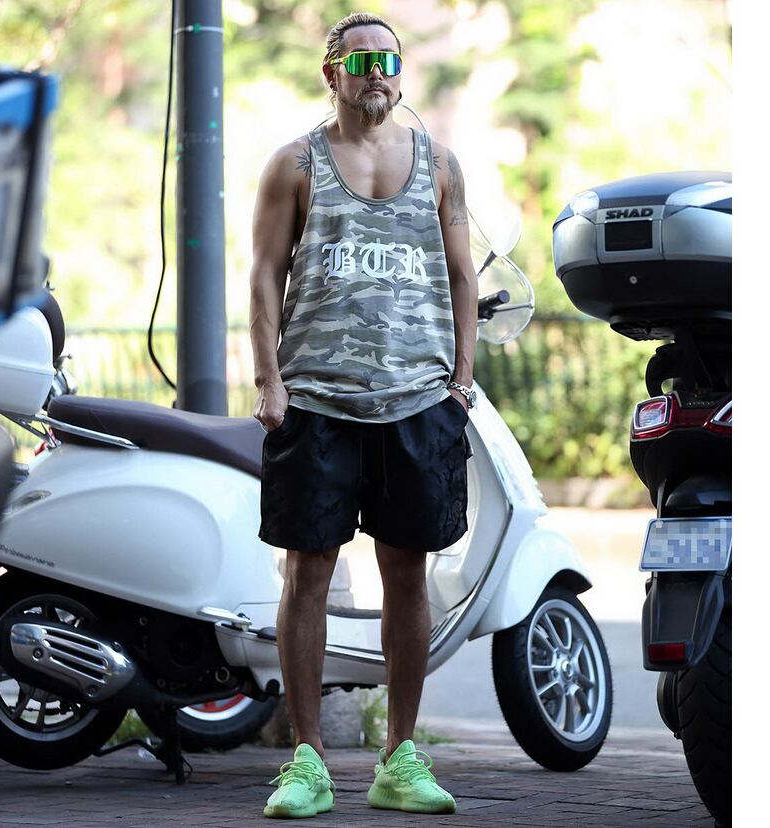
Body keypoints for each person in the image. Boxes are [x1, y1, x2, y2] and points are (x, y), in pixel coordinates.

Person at [248, 11, 478, 819]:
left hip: (417, 400)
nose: (376, 71)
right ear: (331, 73)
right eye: (359, 61)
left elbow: (462, 275)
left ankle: (399, 759)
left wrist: (461, 381)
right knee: (307, 571)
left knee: (407, 573)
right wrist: (269, 380)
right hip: (315, 398)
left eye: (388, 58)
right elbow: (265, 273)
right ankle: (308, 761)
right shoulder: (294, 164)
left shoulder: (440, 164)